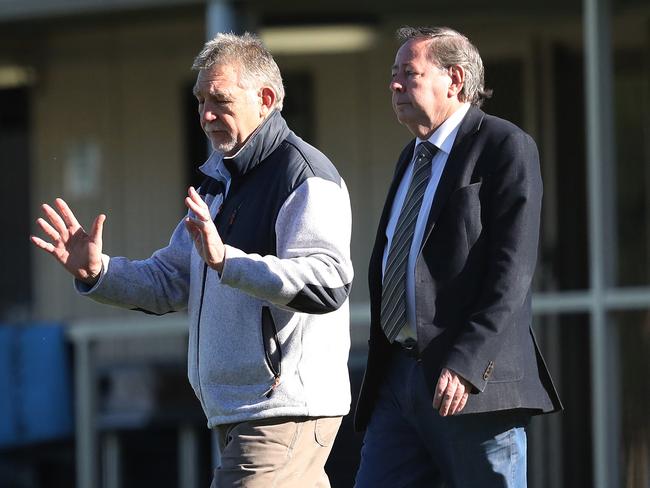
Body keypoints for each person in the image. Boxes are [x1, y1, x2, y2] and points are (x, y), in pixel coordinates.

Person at [31, 32, 353, 488]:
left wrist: (228, 261)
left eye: (219, 100)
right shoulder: (218, 179)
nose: (205, 115)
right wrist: (98, 272)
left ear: (265, 99)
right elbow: (170, 281)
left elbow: (328, 284)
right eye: (200, 100)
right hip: (234, 408)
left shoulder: (303, 175)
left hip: (281, 410)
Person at [354, 26, 562, 487]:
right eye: (393, 74)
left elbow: (512, 273)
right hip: (398, 379)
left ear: (455, 79)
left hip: (470, 384)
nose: (394, 85)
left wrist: (468, 362)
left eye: (409, 73)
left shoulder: (504, 145)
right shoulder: (411, 156)